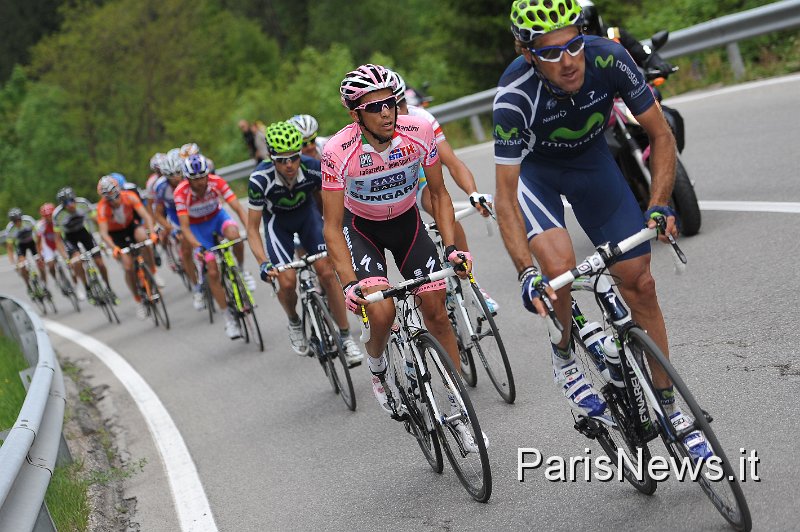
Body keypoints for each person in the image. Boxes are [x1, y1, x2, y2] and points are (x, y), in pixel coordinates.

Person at [495, 0, 709, 462]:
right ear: (528, 53)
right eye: (551, 53)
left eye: (573, 45)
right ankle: (565, 355)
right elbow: (506, 196)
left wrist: (658, 204)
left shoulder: (609, 57)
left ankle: (671, 412)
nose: (568, 61)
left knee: (641, 283)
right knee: (560, 272)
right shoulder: (514, 96)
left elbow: (660, 135)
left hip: (594, 166)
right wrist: (523, 272)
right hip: (539, 177)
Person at [321, 63, 486, 452]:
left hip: (408, 222)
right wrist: (348, 283)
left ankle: (457, 410)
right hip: (361, 229)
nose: (386, 112)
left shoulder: (420, 131)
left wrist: (452, 247)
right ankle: (378, 365)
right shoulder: (337, 151)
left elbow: (440, 194)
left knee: (436, 308)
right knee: (381, 312)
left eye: (391, 103)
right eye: (374, 106)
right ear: (355, 114)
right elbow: (331, 227)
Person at [246, 121, 364, 366]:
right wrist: (263, 263)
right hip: (278, 226)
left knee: (327, 272)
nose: (289, 165)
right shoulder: (259, 180)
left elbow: (329, 206)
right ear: (271, 157)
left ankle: (345, 337)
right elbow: (252, 229)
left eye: (293, 158)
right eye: (281, 160)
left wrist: (337, 234)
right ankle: (294, 320)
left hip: (308, 218)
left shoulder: (312, 168)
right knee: (287, 281)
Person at [387, 68, 499, 313]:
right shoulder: (377, 129)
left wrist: (473, 193)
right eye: (394, 106)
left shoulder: (421, 119)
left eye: (403, 102)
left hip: (419, 184)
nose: (402, 111)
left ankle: (471, 281)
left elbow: (453, 162)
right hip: (389, 194)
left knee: (442, 209)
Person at [174, 154, 255, 339]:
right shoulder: (181, 193)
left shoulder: (216, 182)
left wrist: (250, 230)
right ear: (188, 179)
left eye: (203, 176)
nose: (201, 182)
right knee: (212, 269)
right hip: (198, 228)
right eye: (196, 179)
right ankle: (229, 319)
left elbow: (238, 208)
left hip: (217, 218)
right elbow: (185, 228)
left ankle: (241, 271)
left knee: (235, 236)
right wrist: (198, 247)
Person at [96, 176, 164, 319]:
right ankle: (138, 301)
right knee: (128, 267)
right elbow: (103, 233)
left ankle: (153, 271)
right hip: (116, 235)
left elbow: (146, 216)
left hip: (131, 226)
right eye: (108, 198)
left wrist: (151, 233)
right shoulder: (102, 208)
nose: (114, 201)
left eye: (115, 195)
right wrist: (114, 247)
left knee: (143, 239)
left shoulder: (129, 196)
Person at [153, 151, 201, 307]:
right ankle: (196, 288)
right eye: (171, 177)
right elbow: (158, 214)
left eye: (178, 174)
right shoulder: (160, 187)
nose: (176, 179)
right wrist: (172, 228)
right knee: (186, 248)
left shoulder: (189, 178)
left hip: (191, 208)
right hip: (174, 214)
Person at [53, 186, 113, 303]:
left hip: (84, 232)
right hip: (70, 238)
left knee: (100, 263)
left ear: (75, 199)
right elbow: (58, 240)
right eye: (66, 203)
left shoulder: (83, 203)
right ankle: (87, 287)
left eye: (72, 200)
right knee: (77, 261)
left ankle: (108, 287)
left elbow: (98, 222)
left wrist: (103, 240)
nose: (70, 205)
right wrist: (66, 258)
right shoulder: (58, 215)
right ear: (62, 205)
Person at [5, 208, 46, 296]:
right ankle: (28, 285)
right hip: (21, 246)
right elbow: (9, 248)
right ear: (12, 222)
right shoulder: (10, 229)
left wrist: (40, 252)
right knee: (22, 266)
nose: (17, 223)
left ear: (21, 218)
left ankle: (44, 284)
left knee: (40, 262)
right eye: (15, 221)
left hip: (32, 242)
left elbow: (39, 236)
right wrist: (13, 263)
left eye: (19, 220)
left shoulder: (28, 220)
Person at [36, 203, 70, 293]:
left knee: (71, 262)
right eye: (46, 216)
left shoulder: (59, 219)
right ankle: (56, 279)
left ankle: (74, 283)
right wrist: (40, 255)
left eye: (50, 215)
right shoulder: (40, 225)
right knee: (50, 265)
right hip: (49, 246)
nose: (49, 218)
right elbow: (38, 242)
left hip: (61, 242)